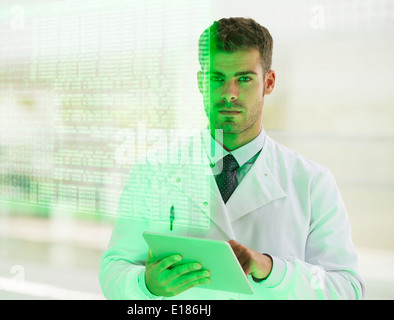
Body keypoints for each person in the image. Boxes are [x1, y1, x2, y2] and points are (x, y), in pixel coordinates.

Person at [99, 17, 364, 299]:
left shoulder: (312, 182)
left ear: (269, 82)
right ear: (201, 82)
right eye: (217, 78)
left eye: (244, 79)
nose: (229, 94)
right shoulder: (152, 171)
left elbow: (347, 289)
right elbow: (115, 269)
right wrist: (145, 285)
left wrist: (272, 270)